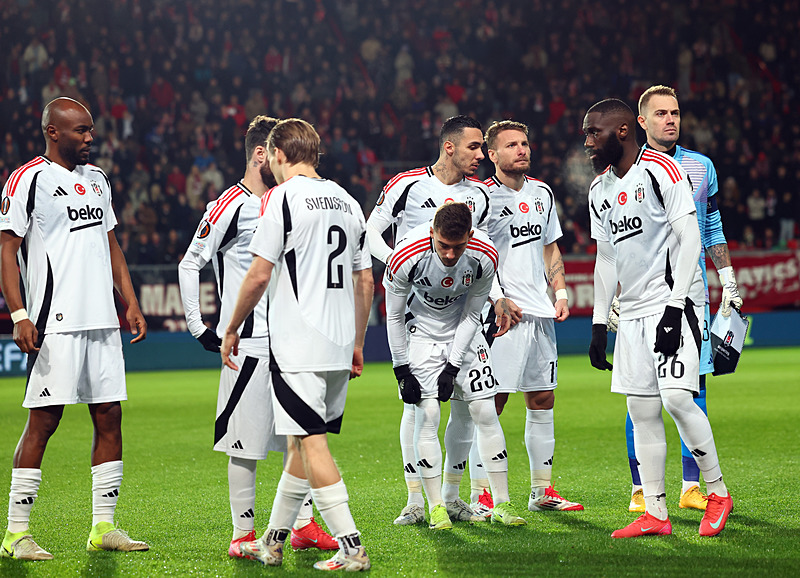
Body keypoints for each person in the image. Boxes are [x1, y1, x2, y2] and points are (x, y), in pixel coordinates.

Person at [177, 115, 337, 559]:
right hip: (249, 343)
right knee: (244, 443)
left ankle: (302, 526)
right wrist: (198, 326)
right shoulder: (232, 203)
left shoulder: (293, 201)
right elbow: (190, 264)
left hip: (294, 342)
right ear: (262, 154)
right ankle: (242, 535)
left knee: (300, 437)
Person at [221, 118, 373, 571]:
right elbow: (365, 280)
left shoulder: (279, 198)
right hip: (338, 341)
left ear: (279, 155)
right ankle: (272, 540)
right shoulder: (347, 200)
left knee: (312, 445)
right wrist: (358, 341)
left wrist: (232, 327)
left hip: (297, 346)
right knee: (297, 446)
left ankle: (352, 547)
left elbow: (259, 273)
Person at [0, 97, 148, 560]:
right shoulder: (29, 179)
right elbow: (7, 249)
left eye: (90, 130)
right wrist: (19, 314)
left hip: (101, 320)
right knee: (45, 420)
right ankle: (15, 534)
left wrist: (130, 301)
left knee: (109, 416)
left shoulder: (98, 179)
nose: (90, 137)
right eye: (81, 131)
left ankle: (103, 526)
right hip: (55, 322)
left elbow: (111, 245)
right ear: (53, 132)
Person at [583, 98, 732, 538]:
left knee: (678, 400)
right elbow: (606, 259)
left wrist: (674, 306)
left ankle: (717, 490)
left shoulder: (663, 171)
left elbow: (690, 240)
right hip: (630, 318)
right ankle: (656, 513)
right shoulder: (599, 189)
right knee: (641, 409)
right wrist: (596, 324)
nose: (588, 141)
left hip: (673, 308)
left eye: (595, 132)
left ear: (623, 131)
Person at [366, 115, 496, 526]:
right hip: (416, 311)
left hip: (464, 316)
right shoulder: (406, 184)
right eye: (475, 147)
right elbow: (372, 232)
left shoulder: (481, 195)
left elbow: (483, 252)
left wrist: (499, 296)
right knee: (418, 409)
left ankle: (453, 498)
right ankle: (416, 500)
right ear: (450, 147)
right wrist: (403, 267)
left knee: (464, 408)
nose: (482, 155)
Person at [384, 202, 526, 530]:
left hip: (462, 331)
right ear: (432, 233)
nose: (450, 255)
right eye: (443, 246)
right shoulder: (406, 256)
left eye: (457, 246)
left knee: (485, 413)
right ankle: (435, 508)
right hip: (421, 334)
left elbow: (472, 315)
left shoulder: (484, 256)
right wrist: (401, 369)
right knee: (428, 415)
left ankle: (502, 503)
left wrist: (452, 366)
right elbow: (393, 315)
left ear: (470, 236)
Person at [481, 120, 584, 512]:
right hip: (504, 315)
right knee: (492, 402)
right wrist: (496, 298)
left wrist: (559, 292)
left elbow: (550, 249)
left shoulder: (542, 192)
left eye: (525, 143)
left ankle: (542, 491)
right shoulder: (482, 197)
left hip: (540, 312)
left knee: (542, 398)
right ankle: (482, 492)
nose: (522, 150)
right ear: (492, 154)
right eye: (511, 145)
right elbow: (475, 253)